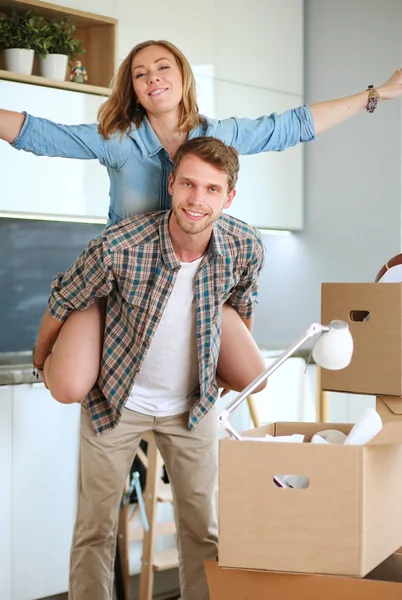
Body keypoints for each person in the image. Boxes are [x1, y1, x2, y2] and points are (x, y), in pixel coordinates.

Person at [2, 40, 402, 403]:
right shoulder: (117, 140)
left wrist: (377, 94)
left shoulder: (216, 136)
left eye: (163, 68)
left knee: (252, 378)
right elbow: (37, 134)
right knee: (68, 387)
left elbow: (292, 126)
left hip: (191, 289)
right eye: (140, 74)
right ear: (134, 91)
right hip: (120, 286)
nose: (152, 78)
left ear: (182, 77)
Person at [34, 136, 266, 600]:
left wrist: (218, 371)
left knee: (203, 530)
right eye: (189, 185)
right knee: (95, 529)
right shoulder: (120, 246)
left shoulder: (245, 245)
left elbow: (242, 310)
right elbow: (63, 300)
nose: (197, 200)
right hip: (116, 401)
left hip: (192, 407)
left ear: (229, 196)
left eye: (212, 189)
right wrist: (42, 360)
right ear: (172, 184)